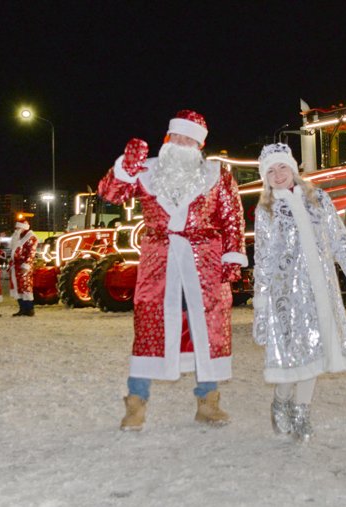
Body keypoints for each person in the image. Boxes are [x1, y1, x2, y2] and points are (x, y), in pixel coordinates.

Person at [98, 109, 247, 431]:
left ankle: (208, 403)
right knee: (150, 329)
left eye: (189, 138)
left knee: (207, 332)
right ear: (167, 139)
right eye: (176, 136)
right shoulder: (146, 170)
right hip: (159, 263)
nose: (181, 142)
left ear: (199, 145)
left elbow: (231, 218)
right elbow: (110, 195)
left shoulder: (217, 174)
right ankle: (136, 403)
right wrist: (125, 166)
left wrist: (232, 258)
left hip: (204, 264)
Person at [252, 143, 346, 443]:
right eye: (271, 171)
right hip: (286, 299)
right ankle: (281, 399)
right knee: (289, 358)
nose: (278, 175)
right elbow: (263, 259)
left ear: (292, 168)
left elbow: (340, 240)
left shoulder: (318, 198)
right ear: (265, 177)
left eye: (282, 167)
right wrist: (262, 305)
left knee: (317, 350)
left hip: (320, 291)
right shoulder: (266, 210)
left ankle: (302, 410)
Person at [9, 219, 38, 317]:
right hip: (15, 266)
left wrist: (26, 265)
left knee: (26, 287)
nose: (16, 230)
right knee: (18, 288)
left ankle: (29, 309)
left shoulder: (31, 237)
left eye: (18, 228)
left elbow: (31, 253)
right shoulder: (18, 237)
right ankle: (22, 308)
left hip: (24, 266)